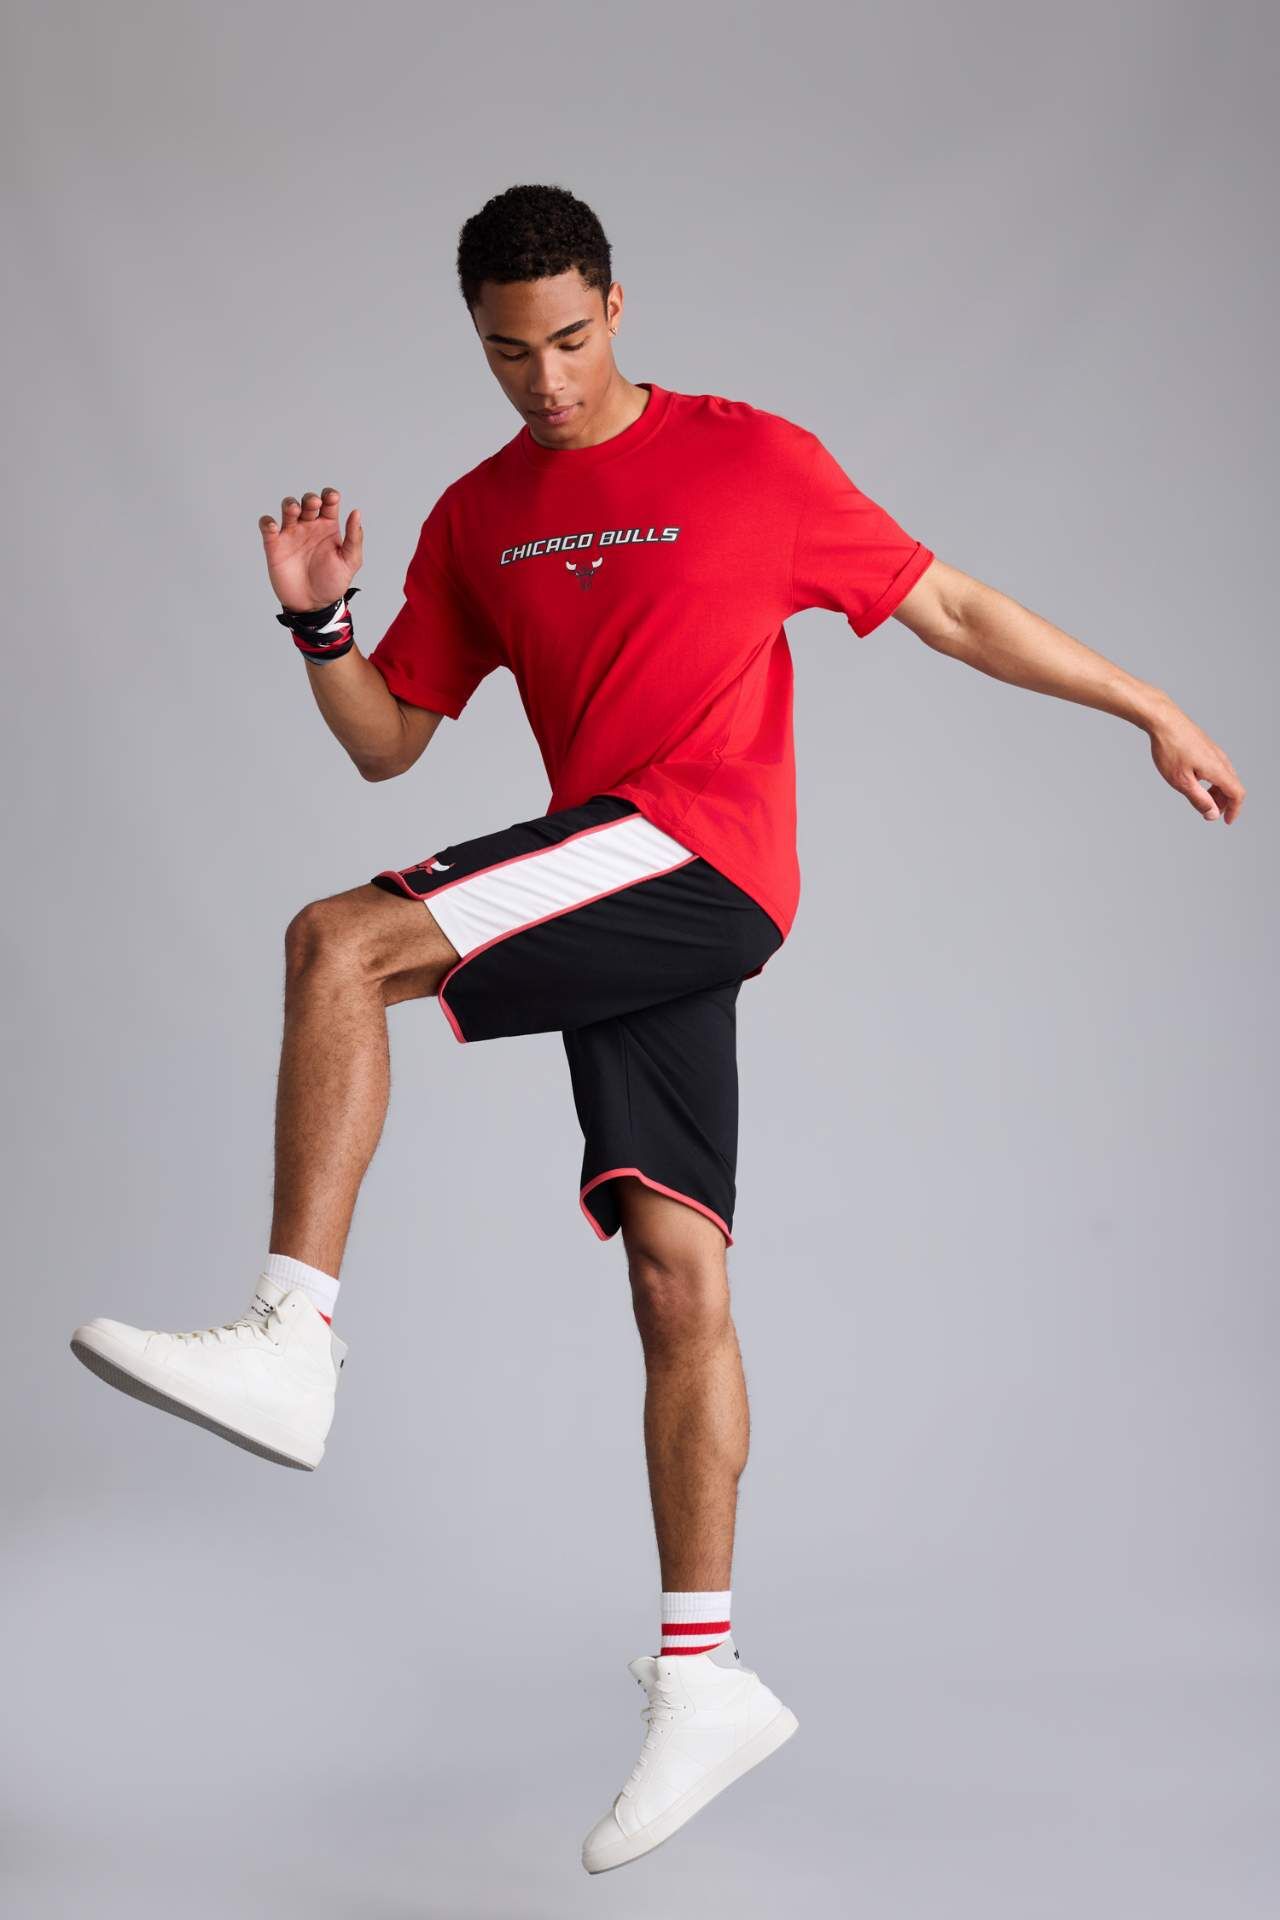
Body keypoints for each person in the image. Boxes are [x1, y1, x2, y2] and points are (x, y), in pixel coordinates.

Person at [68, 183, 1246, 1875]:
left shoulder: (752, 460)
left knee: (339, 943)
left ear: (617, 307)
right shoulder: (481, 516)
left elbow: (952, 606)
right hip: (618, 881)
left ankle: (290, 1336)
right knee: (676, 1275)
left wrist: (1151, 704)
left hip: (698, 848)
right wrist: (319, 623)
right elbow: (388, 741)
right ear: (476, 341)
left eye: (568, 339)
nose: (545, 381)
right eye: (508, 354)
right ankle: (706, 1677)